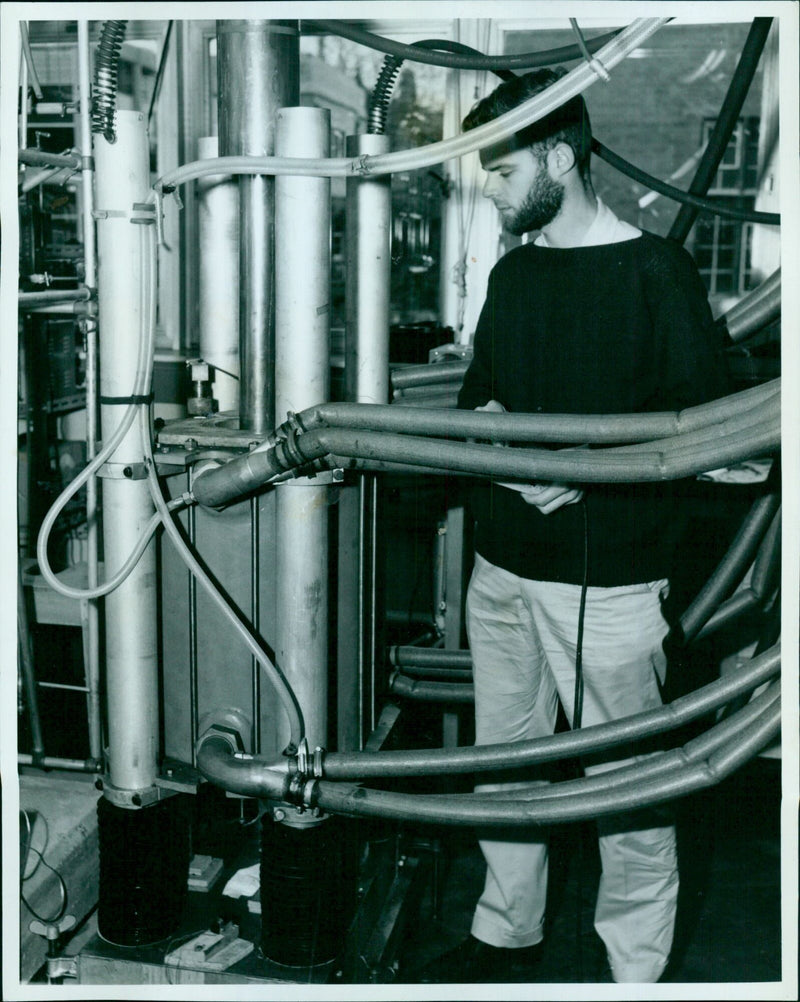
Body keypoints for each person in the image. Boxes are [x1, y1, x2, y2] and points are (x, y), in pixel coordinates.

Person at [417, 69, 730, 985]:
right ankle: (503, 936)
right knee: (503, 767)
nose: (492, 187)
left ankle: (634, 970)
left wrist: (591, 481)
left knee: (628, 792)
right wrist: (507, 448)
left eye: (505, 170)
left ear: (560, 157)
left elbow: (708, 447)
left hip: (611, 585)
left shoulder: (654, 275)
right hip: (502, 571)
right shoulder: (515, 275)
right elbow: (483, 405)